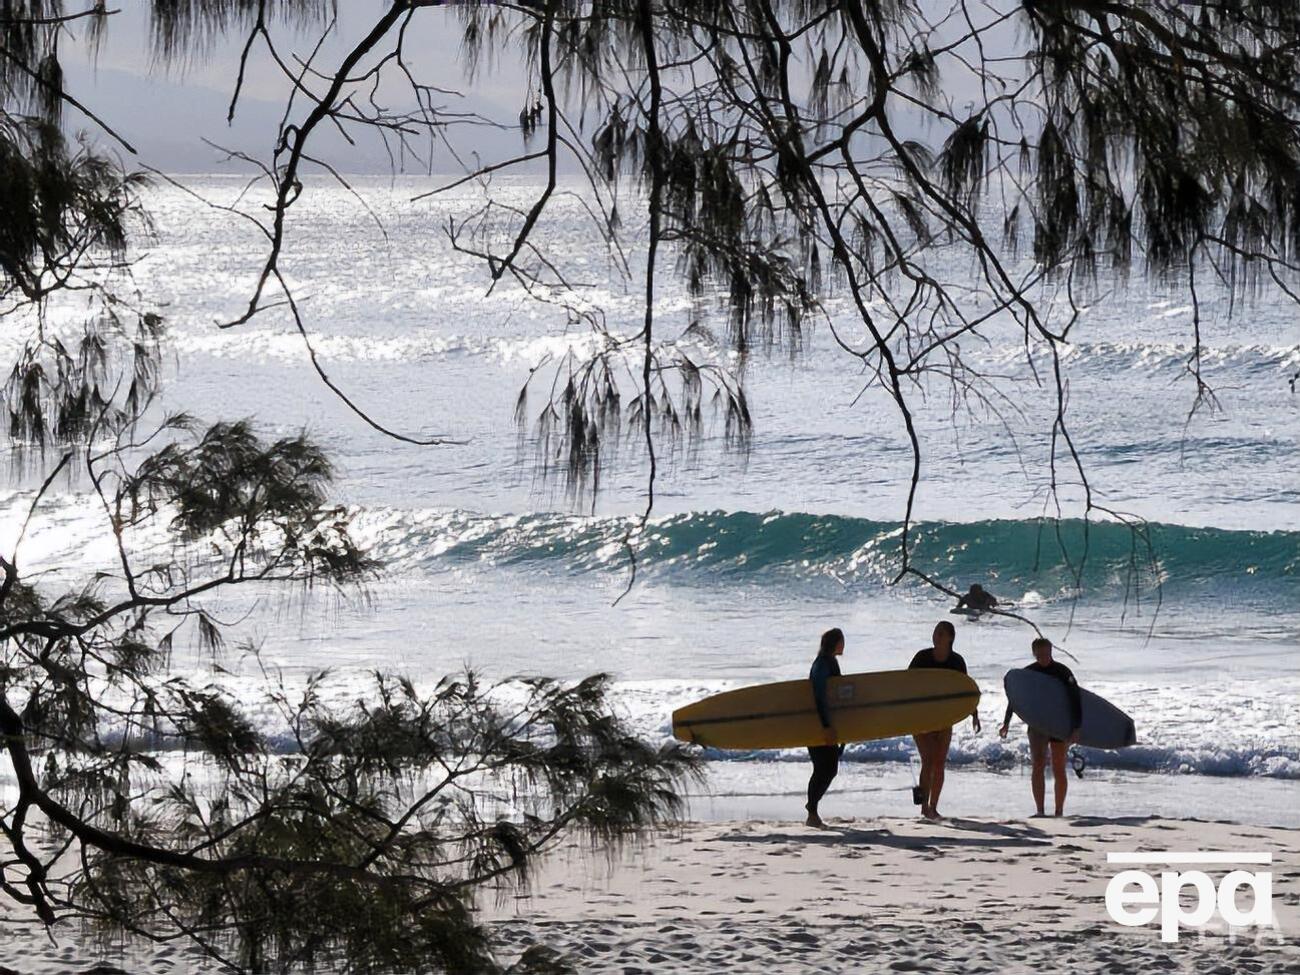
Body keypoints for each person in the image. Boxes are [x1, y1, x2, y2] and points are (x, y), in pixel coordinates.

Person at [999, 637, 1082, 817]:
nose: (1043, 657)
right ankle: (1040, 811)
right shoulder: (1028, 674)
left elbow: (1076, 699)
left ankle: (1059, 811)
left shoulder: (1062, 671)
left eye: (1046, 654)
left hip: (1060, 724)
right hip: (1037, 724)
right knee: (1038, 765)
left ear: (1051, 652)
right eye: (1040, 654)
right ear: (1034, 653)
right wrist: (1006, 723)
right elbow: (1015, 700)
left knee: (1058, 767)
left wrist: (1076, 727)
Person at [908, 620, 979, 820]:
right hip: (920, 717)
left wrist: (974, 714)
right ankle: (924, 808)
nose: (936, 636)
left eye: (940, 633)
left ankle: (934, 807)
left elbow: (966, 691)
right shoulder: (922, 658)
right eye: (935, 632)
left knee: (939, 762)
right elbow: (905, 685)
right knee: (928, 760)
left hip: (944, 717)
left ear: (950, 638)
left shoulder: (956, 662)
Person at [806, 627, 845, 828]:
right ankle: (811, 811)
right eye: (842, 640)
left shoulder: (830, 662)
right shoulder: (822, 664)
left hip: (824, 723)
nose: (844, 645)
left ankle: (812, 811)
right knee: (825, 768)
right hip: (816, 724)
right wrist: (826, 726)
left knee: (827, 768)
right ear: (835, 643)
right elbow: (819, 695)